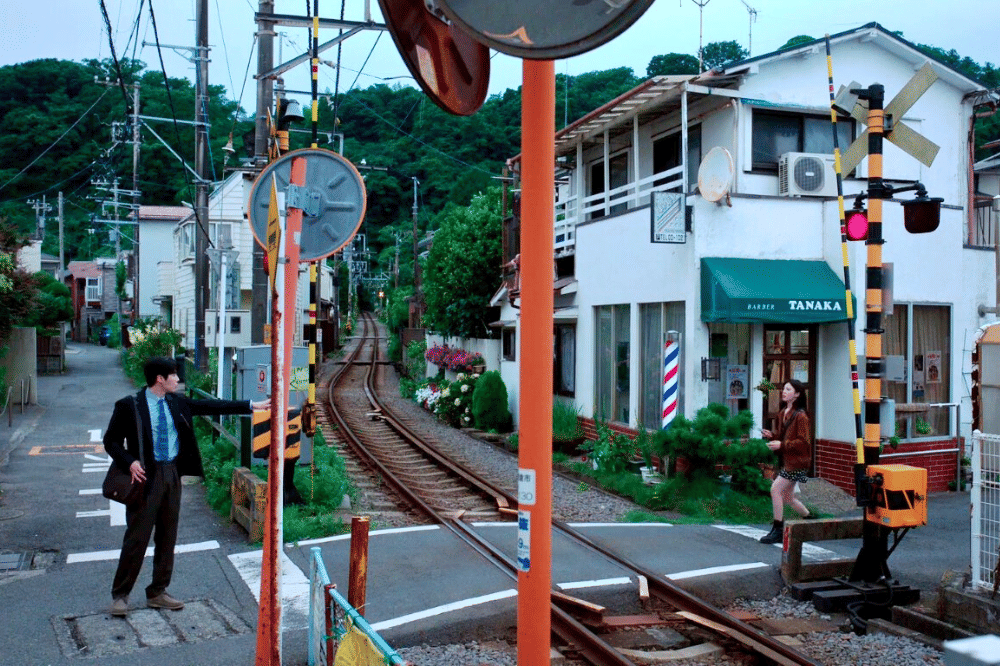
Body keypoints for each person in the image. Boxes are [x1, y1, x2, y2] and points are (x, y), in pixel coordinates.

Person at [104, 357, 270, 617]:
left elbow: (211, 406)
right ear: (160, 379)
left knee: (167, 536)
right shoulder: (130, 406)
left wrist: (252, 405)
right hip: (145, 477)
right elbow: (111, 441)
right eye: (174, 376)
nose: (178, 380)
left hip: (172, 474)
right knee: (137, 537)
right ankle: (121, 595)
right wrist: (130, 461)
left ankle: (158, 591)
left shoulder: (177, 402)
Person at [758, 379, 814, 544]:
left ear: (797, 394)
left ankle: (778, 529)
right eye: (784, 389)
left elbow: (803, 443)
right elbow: (783, 437)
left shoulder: (801, 416)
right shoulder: (783, 413)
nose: (783, 391)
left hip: (798, 462)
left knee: (775, 489)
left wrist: (781, 445)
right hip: (789, 461)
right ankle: (811, 520)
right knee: (788, 497)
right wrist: (773, 436)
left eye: (788, 389)